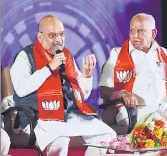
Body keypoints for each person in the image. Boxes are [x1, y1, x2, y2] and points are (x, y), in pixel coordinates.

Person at [10, 15, 116, 156]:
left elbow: (83, 95)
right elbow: (21, 89)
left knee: (104, 137)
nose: (58, 40)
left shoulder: (66, 57)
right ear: (40, 37)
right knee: (59, 140)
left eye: (61, 34)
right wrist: (49, 68)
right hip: (38, 116)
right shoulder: (25, 56)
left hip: (68, 115)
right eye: (52, 35)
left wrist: (86, 76)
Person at [99, 13, 167, 131]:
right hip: (137, 113)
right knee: (161, 130)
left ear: (153, 33)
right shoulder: (117, 54)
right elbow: (104, 91)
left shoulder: (166, 54)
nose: (135, 35)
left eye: (140, 31)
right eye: (132, 30)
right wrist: (123, 93)